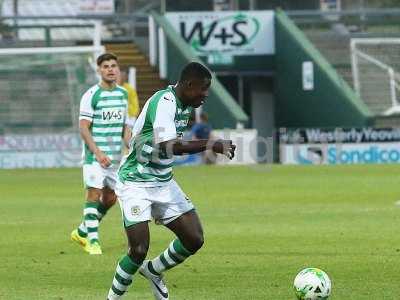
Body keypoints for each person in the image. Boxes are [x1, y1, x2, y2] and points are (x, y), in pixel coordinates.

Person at [107, 62, 236, 300]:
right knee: (138, 249)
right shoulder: (164, 103)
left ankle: (154, 270)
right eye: (203, 89)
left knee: (194, 239)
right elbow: (169, 145)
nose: (205, 95)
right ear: (188, 85)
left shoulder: (185, 104)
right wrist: (212, 144)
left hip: (163, 182)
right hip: (136, 182)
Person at [70, 53, 131, 255]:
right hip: (95, 156)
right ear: (99, 70)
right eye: (106, 66)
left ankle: (81, 231)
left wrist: (129, 145)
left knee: (110, 198)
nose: (111, 69)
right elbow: (83, 127)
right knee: (94, 193)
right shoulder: (91, 95)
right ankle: (93, 242)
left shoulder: (123, 94)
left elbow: (125, 125)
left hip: (115, 157)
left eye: (114, 65)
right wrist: (97, 153)